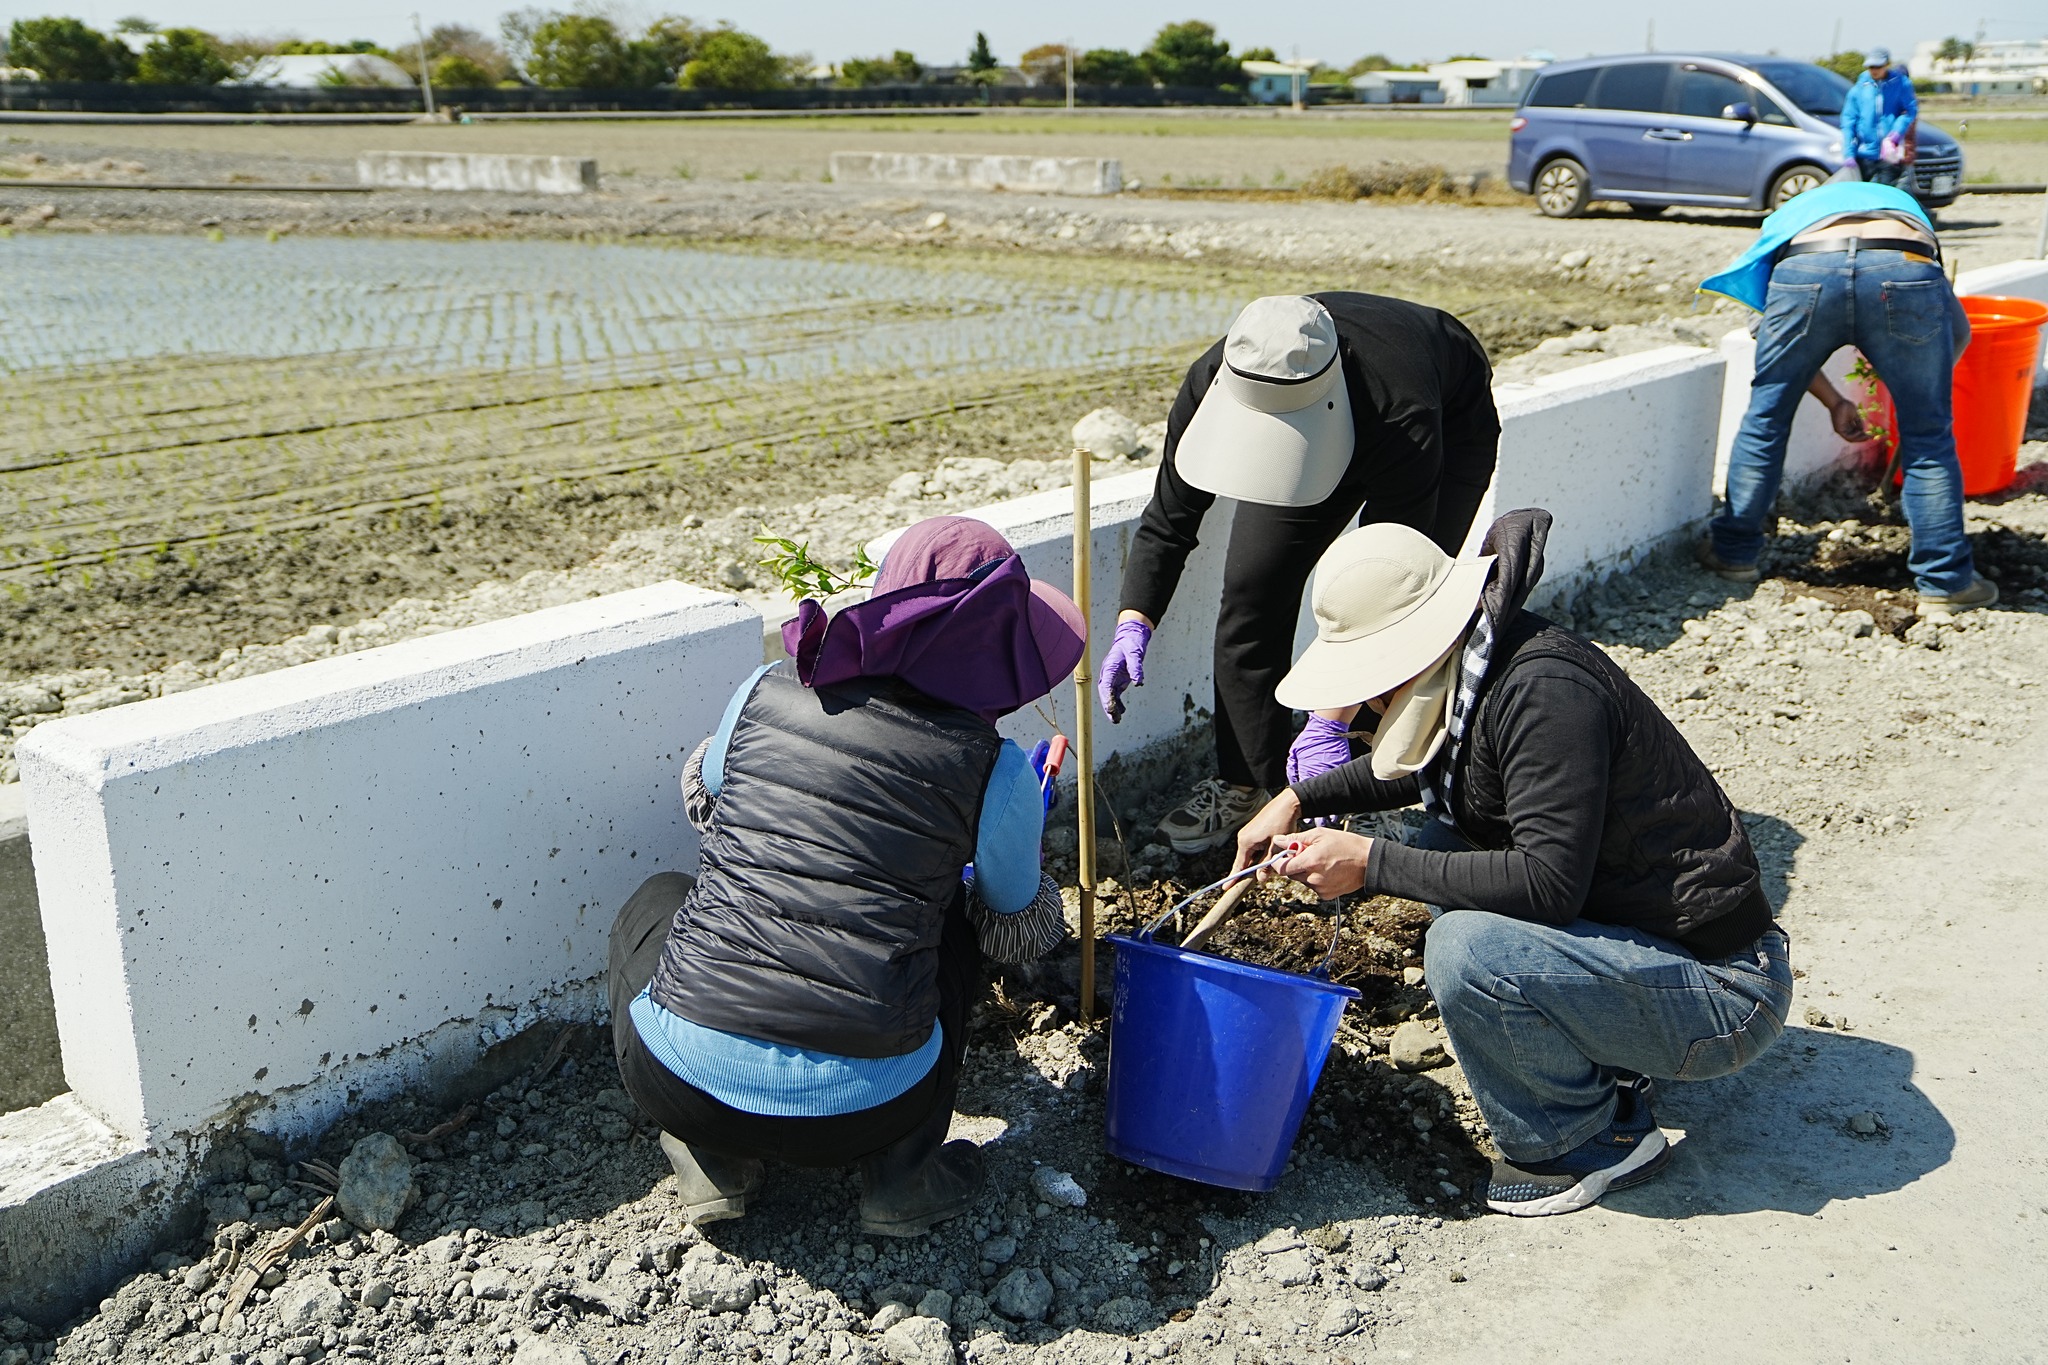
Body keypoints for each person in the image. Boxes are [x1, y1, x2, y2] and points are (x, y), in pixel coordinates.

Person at [1232, 509, 1792, 1217]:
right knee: (1437, 847)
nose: (1369, 700)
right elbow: (1431, 771)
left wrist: (1370, 861)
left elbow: (1548, 886)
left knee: (1467, 947)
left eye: (1371, 678)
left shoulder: (1541, 690)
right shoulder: (1477, 670)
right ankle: (1597, 1056)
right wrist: (1299, 796)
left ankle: (1583, 1140)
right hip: (1654, 953)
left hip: (1725, 993)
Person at [607, 516, 1082, 1234]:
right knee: (954, 925)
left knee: (656, 899)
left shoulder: (766, 688)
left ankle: (712, 1157)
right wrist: (1000, 847)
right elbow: (1020, 931)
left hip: (680, 1085)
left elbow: (705, 800)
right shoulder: (996, 768)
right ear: (998, 644)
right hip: (866, 1114)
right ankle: (902, 1174)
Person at [1098, 292, 1500, 854]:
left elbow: (1384, 607)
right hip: (1310, 412)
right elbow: (1170, 520)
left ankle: (1353, 797)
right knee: (1252, 591)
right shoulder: (1216, 376)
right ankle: (1246, 783)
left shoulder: (1402, 408)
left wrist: (1328, 721)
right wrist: (1133, 622)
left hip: (1441, 423)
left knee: (1407, 613)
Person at [1698, 178, 1994, 614]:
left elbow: (1766, 334)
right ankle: (1946, 583)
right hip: (1904, 262)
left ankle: (1733, 555)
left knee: (1766, 420)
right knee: (1929, 438)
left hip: (1805, 264)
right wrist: (1914, 381)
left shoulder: (1792, 218)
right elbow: (1958, 333)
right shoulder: (1905, 211)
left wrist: (1834, 399)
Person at [1840, 48, 1917, 189]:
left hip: (1889, 155)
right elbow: (1848, 121)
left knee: (1885, 194)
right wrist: (1849, 153)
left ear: (1887, 64)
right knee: (1867, 196)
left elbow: (1909, 110)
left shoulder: (1901, 84)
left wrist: (1896, 133)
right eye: (1871, 67)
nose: (1874, 70)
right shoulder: (1859, 89)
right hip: (1865, 155)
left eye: (1878, 66)